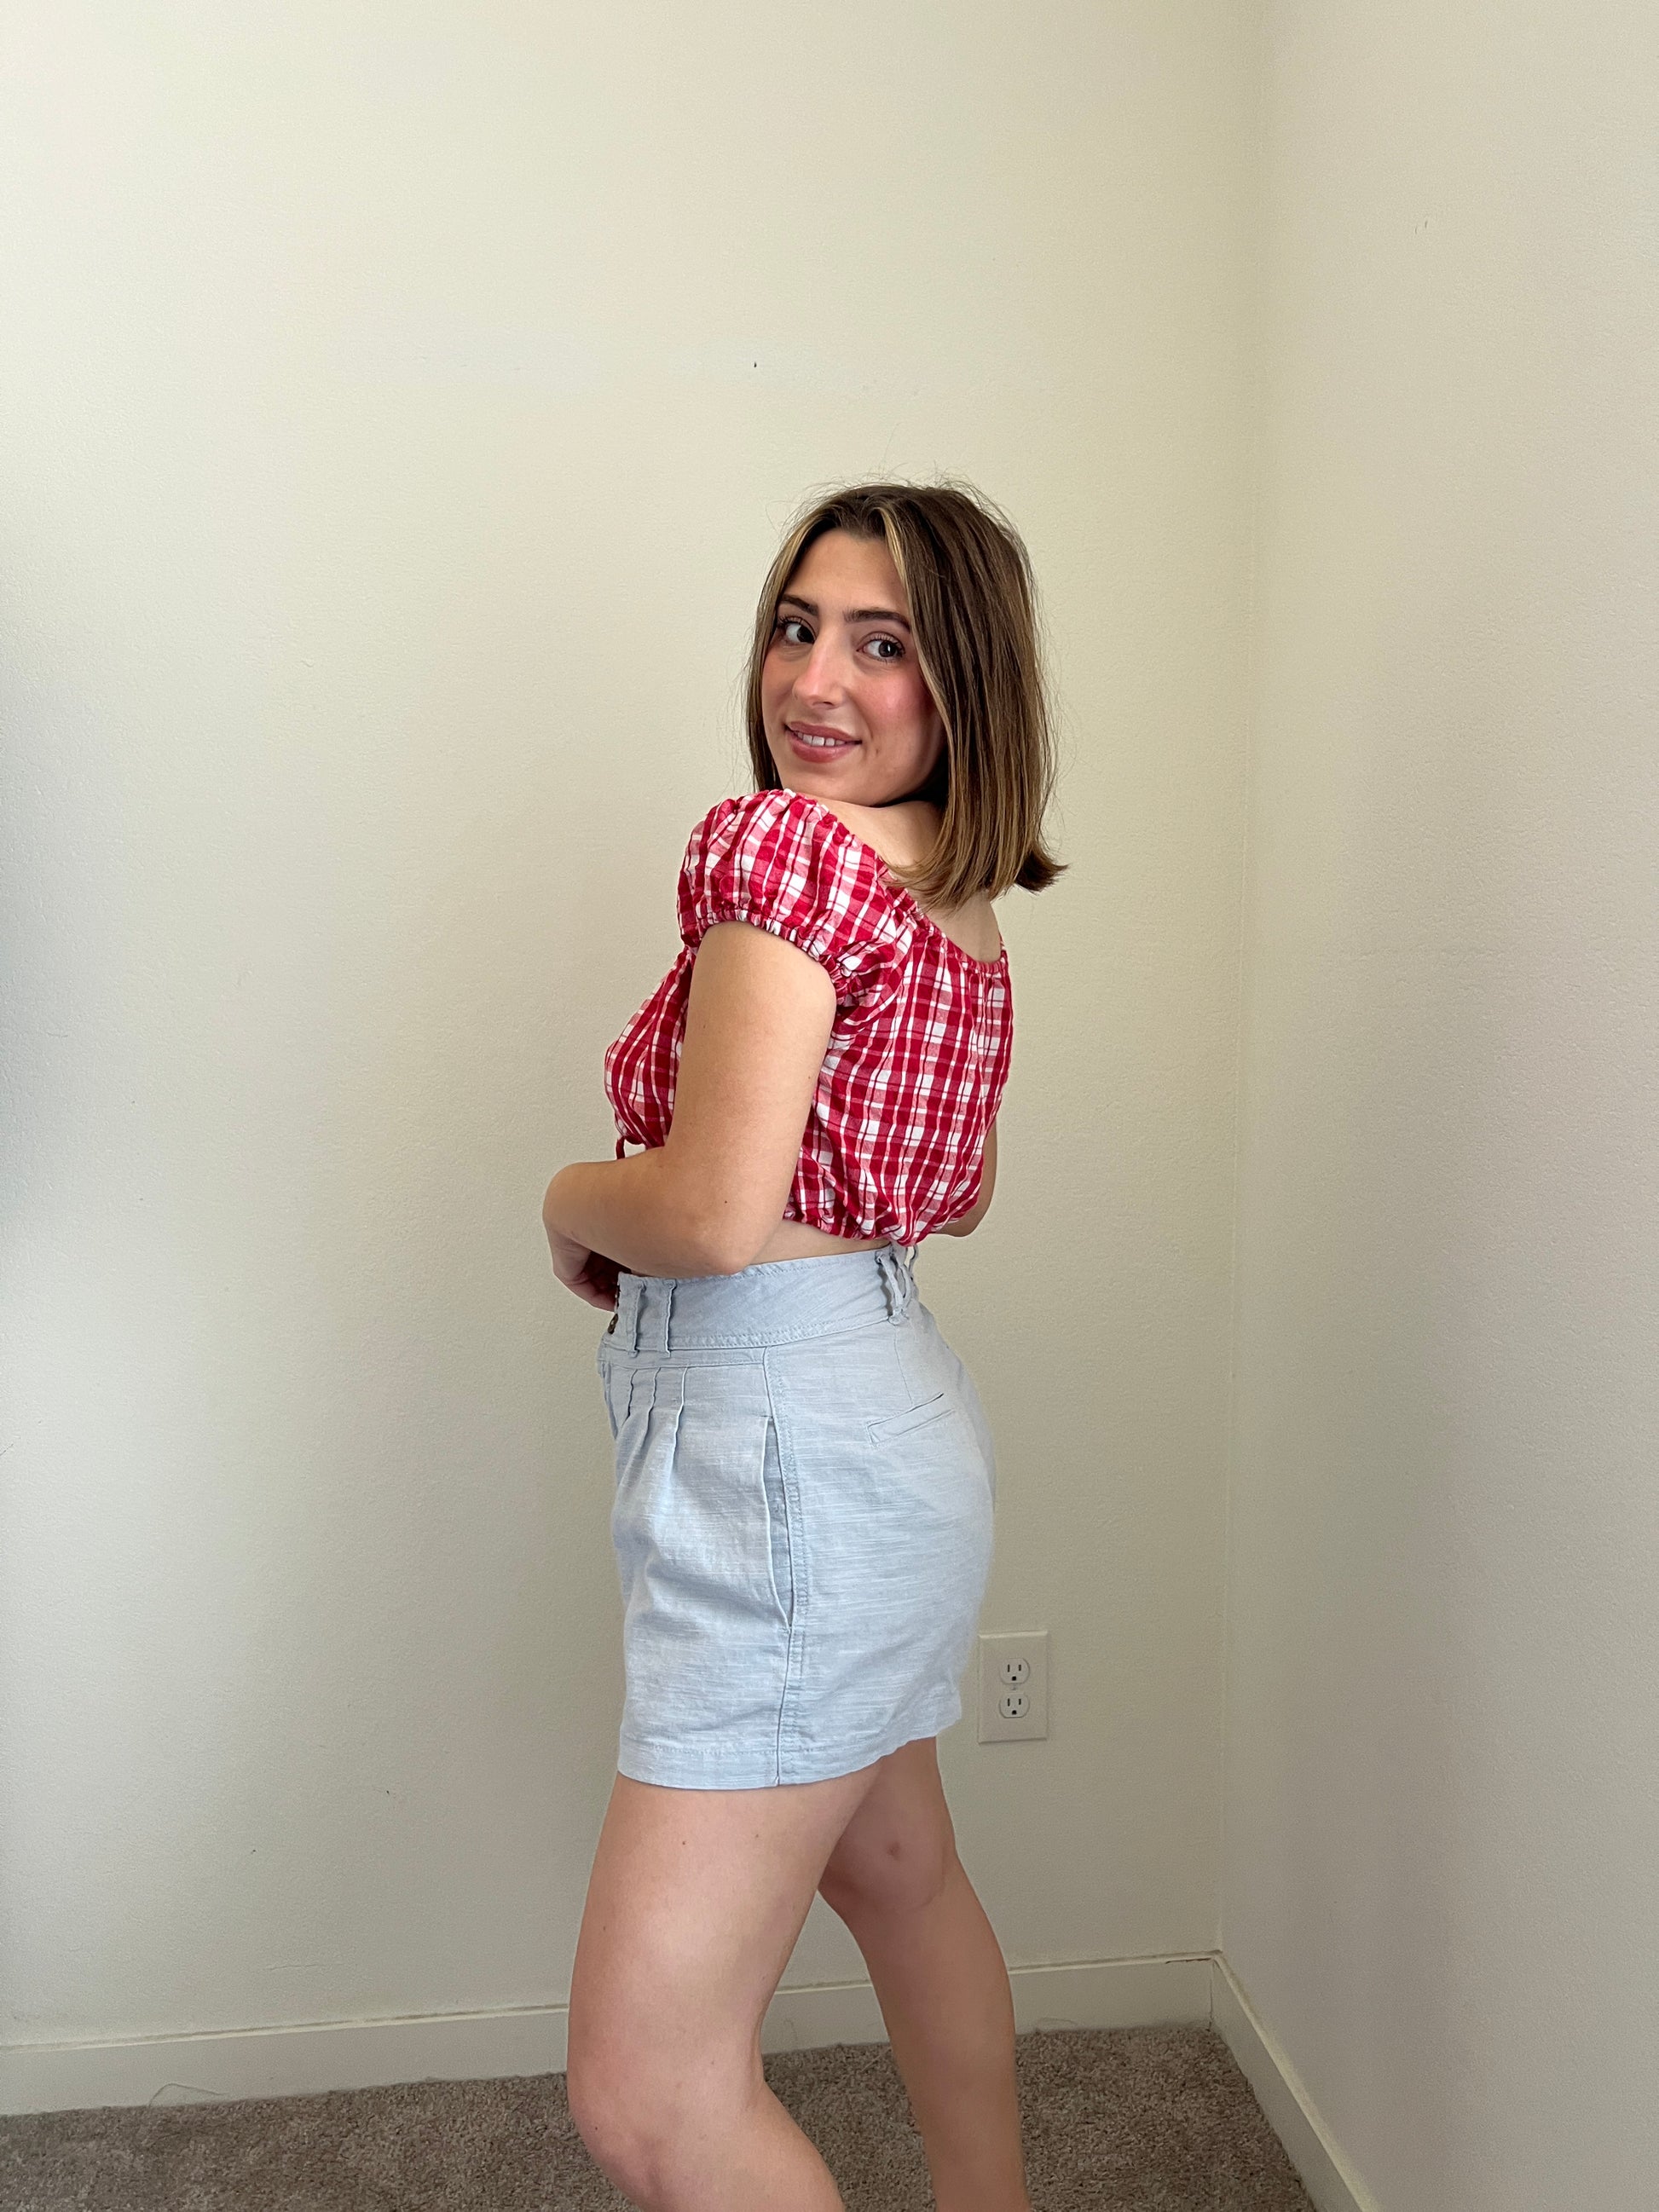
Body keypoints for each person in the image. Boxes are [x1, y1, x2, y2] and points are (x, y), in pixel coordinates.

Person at [541, 479, 1065, 2211]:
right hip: (885, 1423)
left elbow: (701, 1215)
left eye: (882, 643)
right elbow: (955, 1193)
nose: (815, 680)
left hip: (778, 1451)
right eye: (795, 625)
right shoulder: (954, 900)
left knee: (647, 2093)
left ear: (964, 683)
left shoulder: (788, 858)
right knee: (899, 1870)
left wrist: (566, 1197)